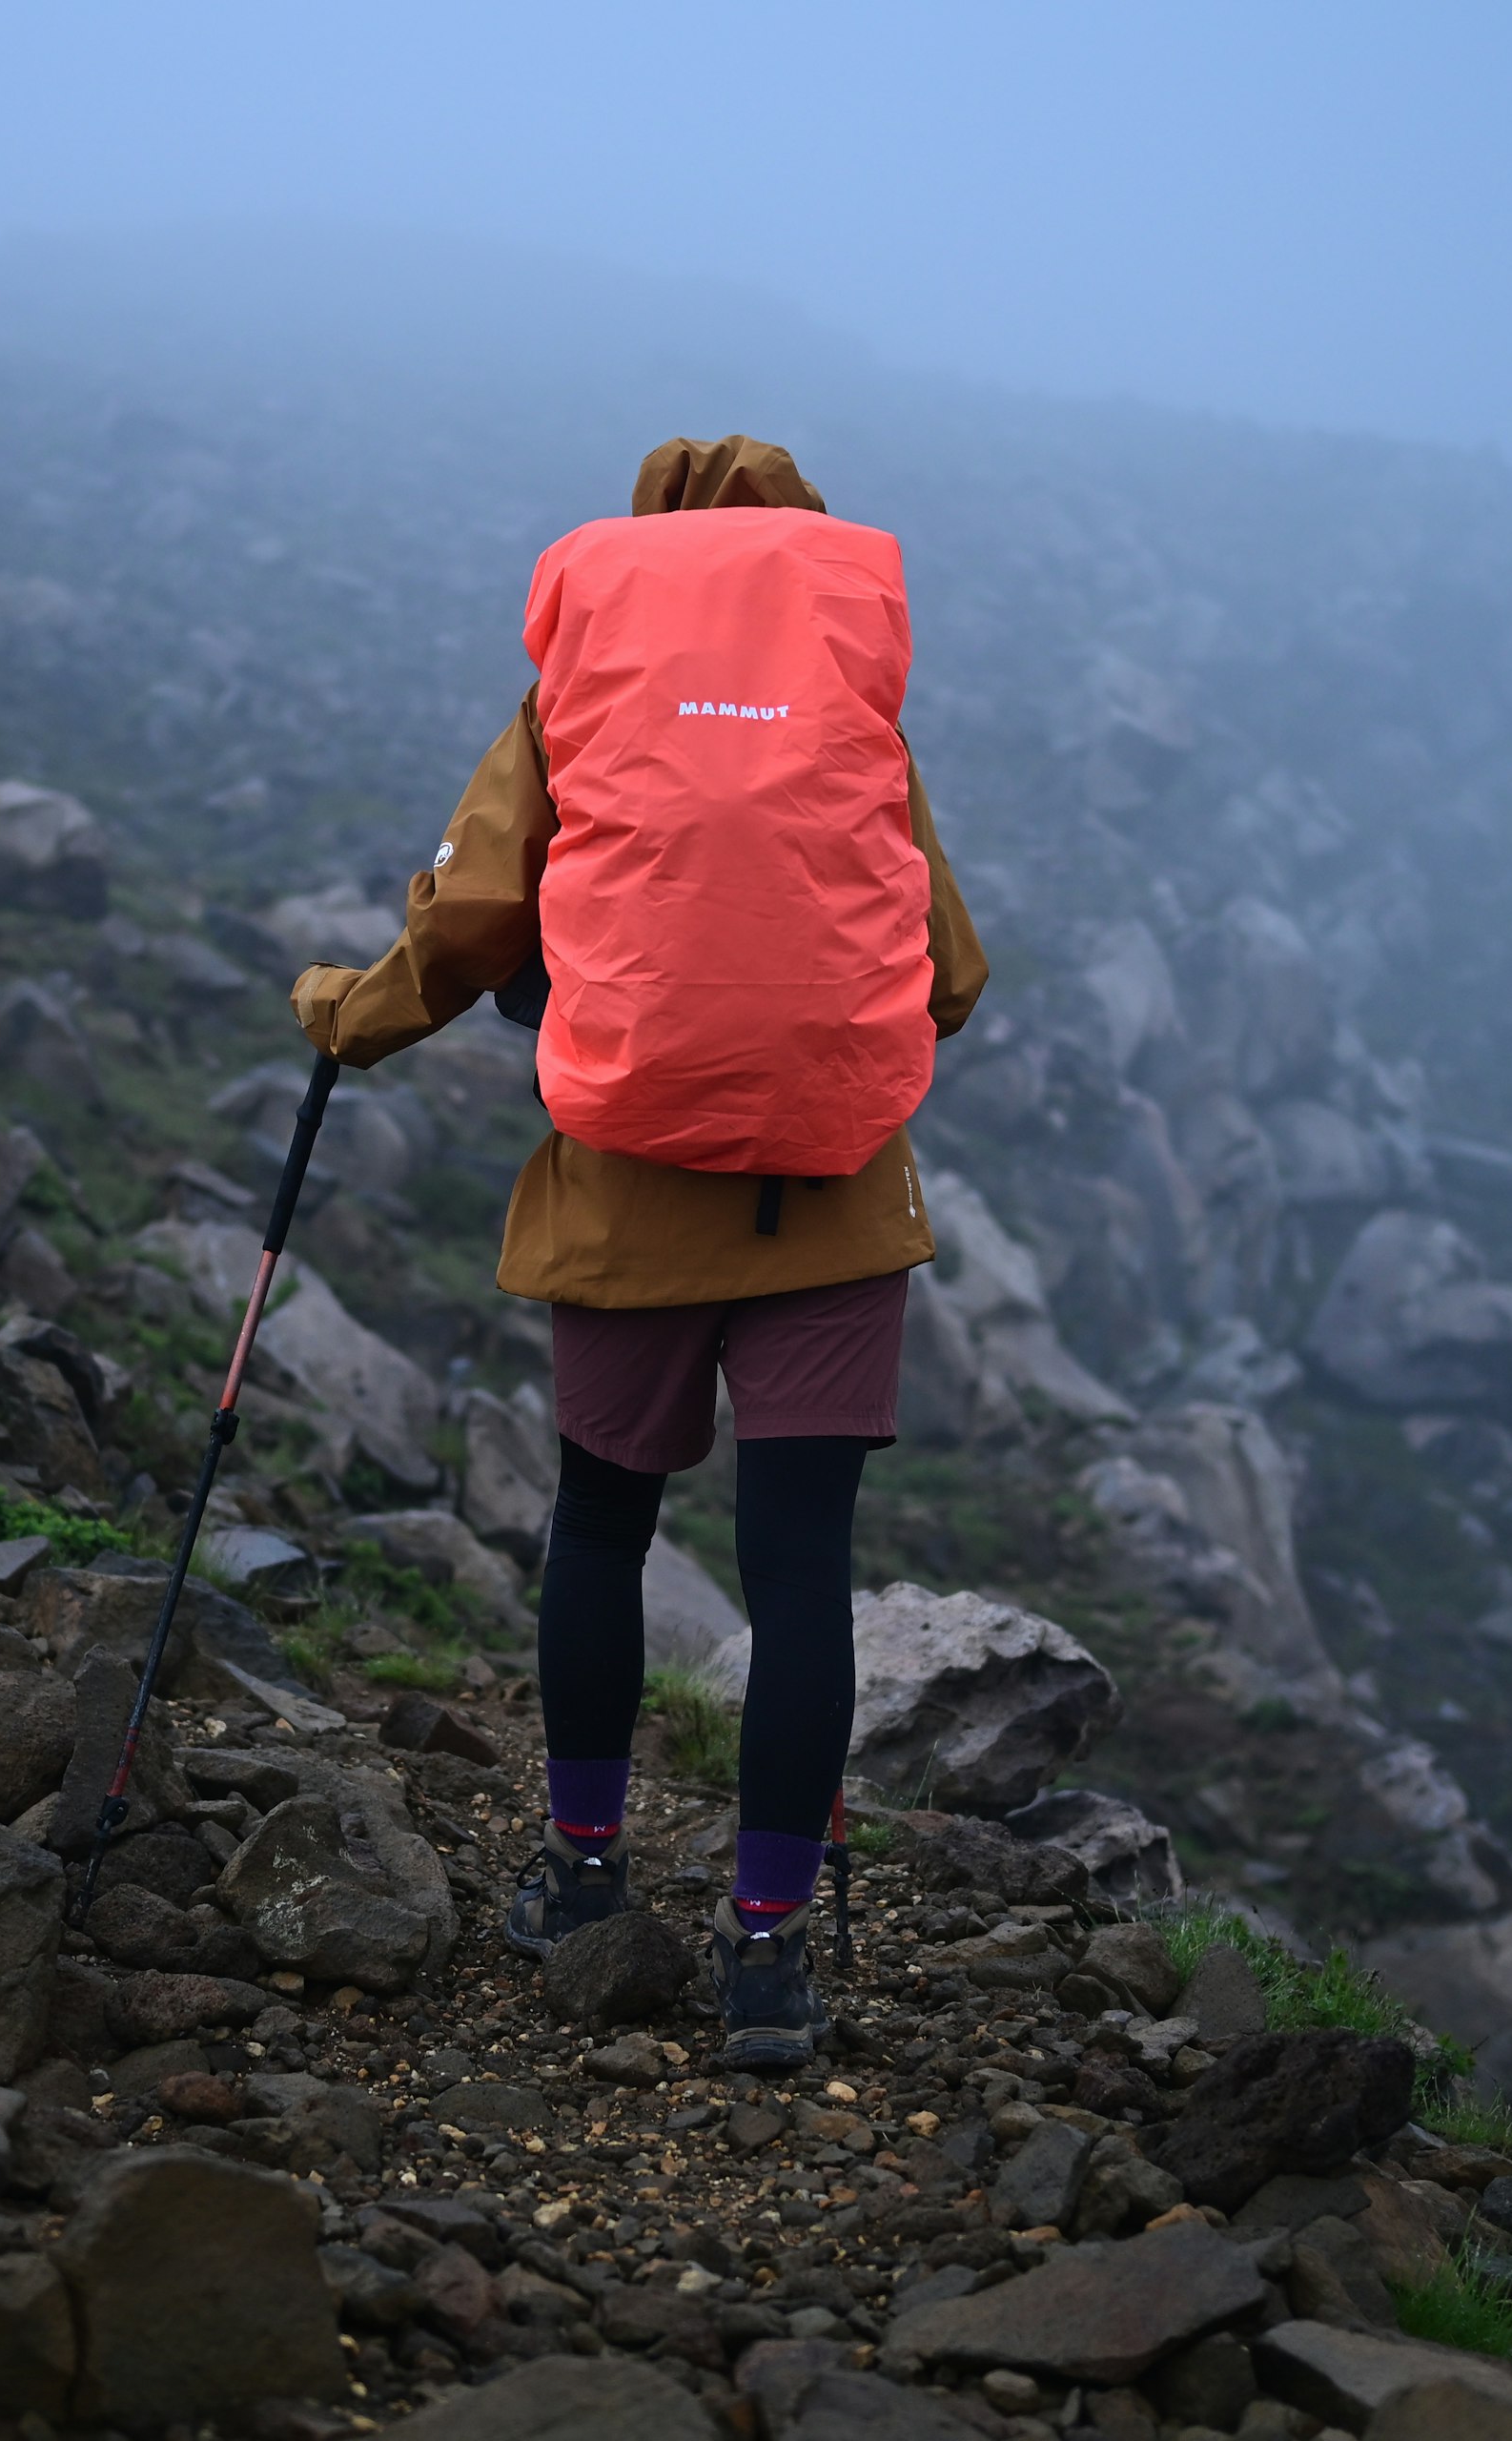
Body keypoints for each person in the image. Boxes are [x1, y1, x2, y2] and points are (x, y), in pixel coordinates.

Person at [286, 434, 989, 2070]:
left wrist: (349, 1020)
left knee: (602, 1528)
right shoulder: (847, 715)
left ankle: (583, 1877)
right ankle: (768, 1957)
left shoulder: (583, 688)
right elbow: (951, 968)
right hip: (827, 1202)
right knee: (803, 1571)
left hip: (624, 1185)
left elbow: (466, 924)